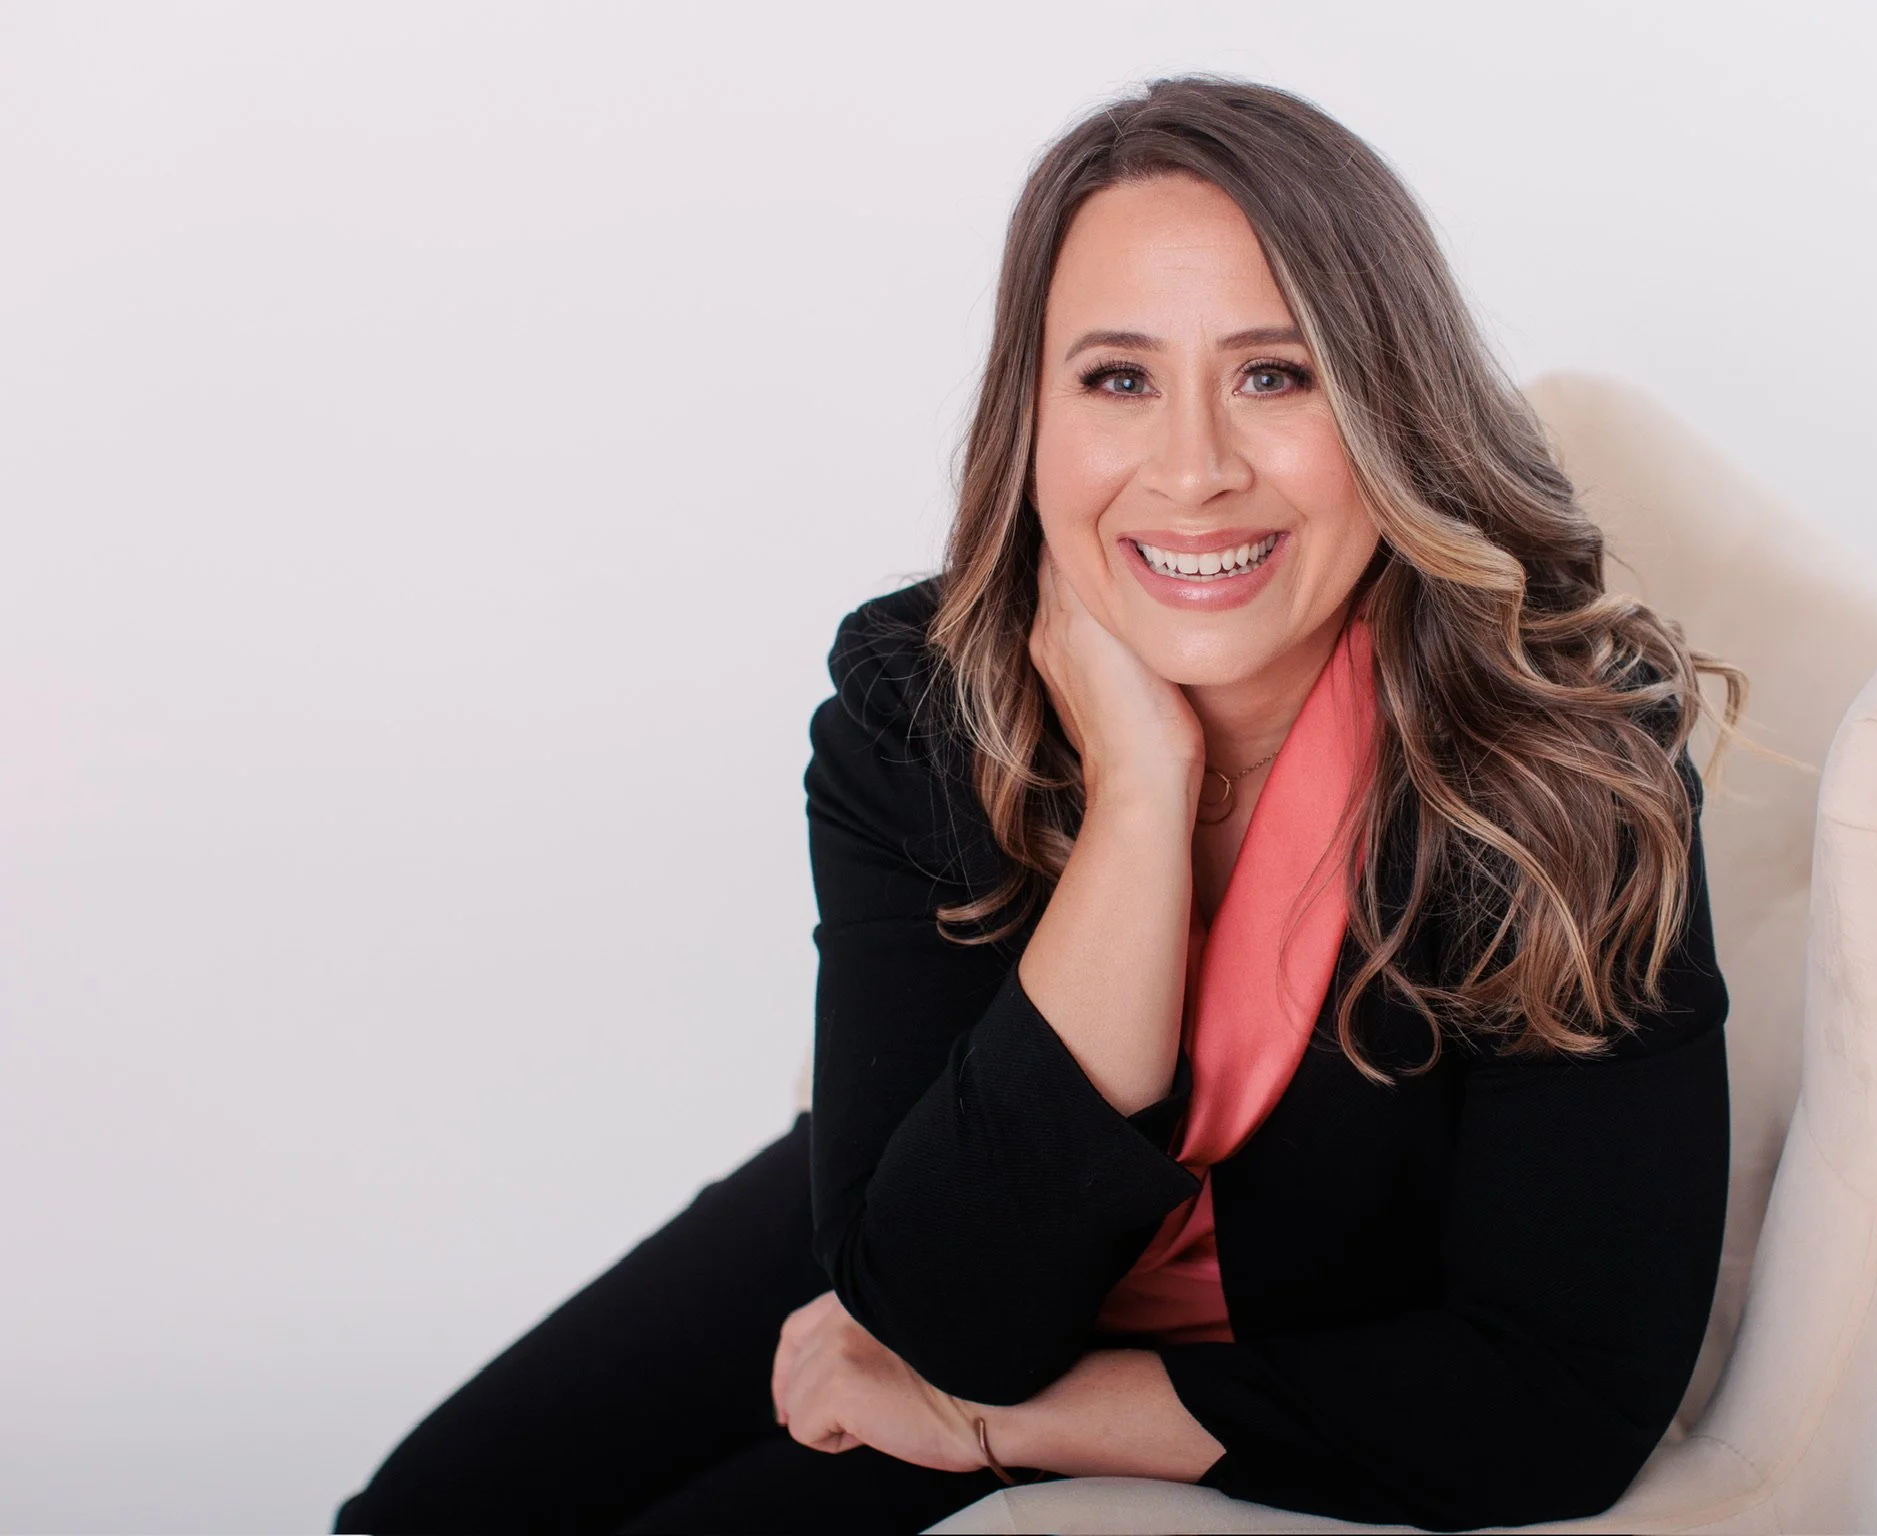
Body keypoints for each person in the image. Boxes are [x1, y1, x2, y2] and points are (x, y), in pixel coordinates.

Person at [334, 75, 1742, 1536]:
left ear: (1391, 408)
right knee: (416, 1518)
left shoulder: (1553, 768)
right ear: (1031, 414)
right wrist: (1143, 795)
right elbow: (936, 1295)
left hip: (1264, 1371)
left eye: (1276, 374)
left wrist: (1015, 1423)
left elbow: (1554, 1413)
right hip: (936, 1224)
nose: (1191, 471)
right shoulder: (916, 700)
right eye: (1117, 378)